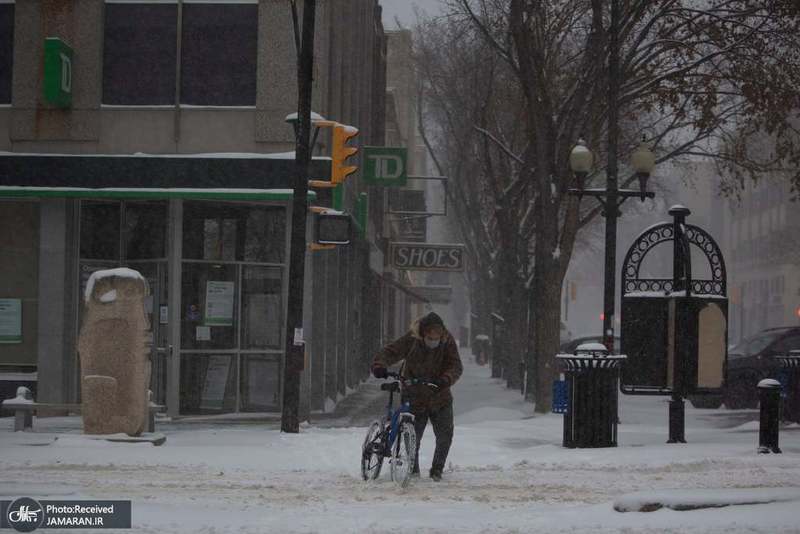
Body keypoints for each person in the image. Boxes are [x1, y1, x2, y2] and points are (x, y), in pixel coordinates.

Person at [372, 311, 463, 481]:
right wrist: (379, 365)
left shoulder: (447, 342)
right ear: (423, 333)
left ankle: (437, 470)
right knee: (413, 437)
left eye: (437, 335)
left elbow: (456, 366)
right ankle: (413, 471)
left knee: (445, 435)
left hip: (439, 395)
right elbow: (391, 352)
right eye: (430, 335)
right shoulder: (412, 340)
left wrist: (445, 379)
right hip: (414, 394)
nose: (433, 339)